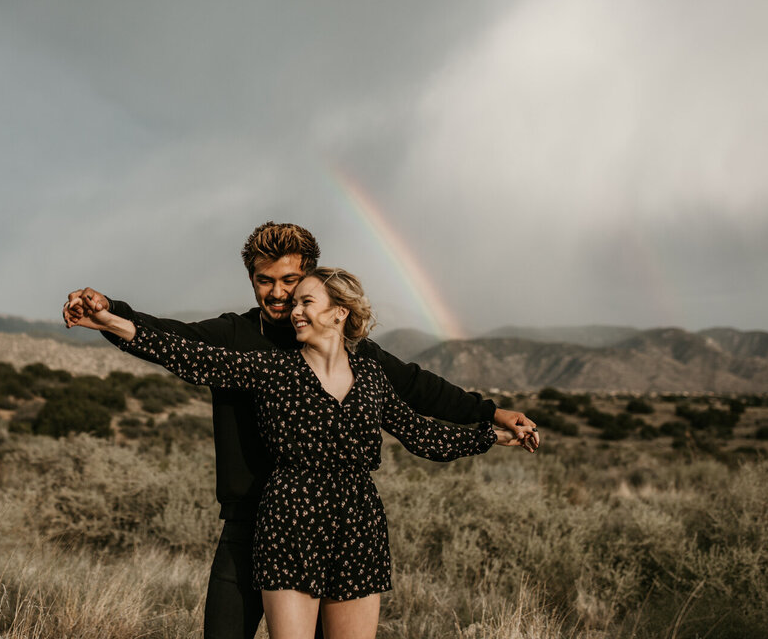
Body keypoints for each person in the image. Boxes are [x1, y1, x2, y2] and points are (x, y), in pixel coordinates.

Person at [63, 222, 539, 638]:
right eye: (264, 281)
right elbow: (177, 344)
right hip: (266, 519)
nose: (279, 296)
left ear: (324, 294)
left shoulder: (362, 363)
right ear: (251, 279)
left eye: (291, 283)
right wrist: (109, 314)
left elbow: (418, 401)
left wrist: (492, 418)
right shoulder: (250, 349)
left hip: (353, 525)